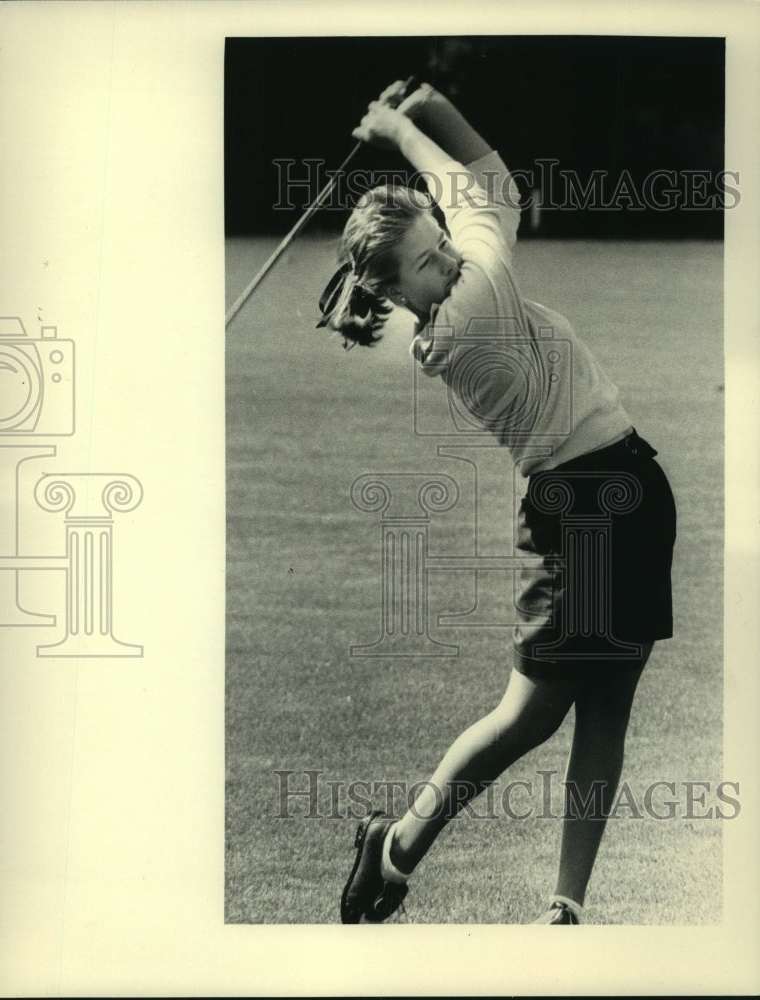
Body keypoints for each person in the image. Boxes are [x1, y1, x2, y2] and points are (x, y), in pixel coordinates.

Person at [317, 80, 677, 925]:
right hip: (579, 513)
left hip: (630, 486)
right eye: (424, 260)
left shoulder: (463, 280)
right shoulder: (467, 312)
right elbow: (479, 191)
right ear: (400, 294)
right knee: (532, 716)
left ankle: (564, 905)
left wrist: (433, 105)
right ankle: (397, 844)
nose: (445, 256)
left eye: (441, 243)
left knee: (608, 709)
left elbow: (485, 187)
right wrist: (400, 129)